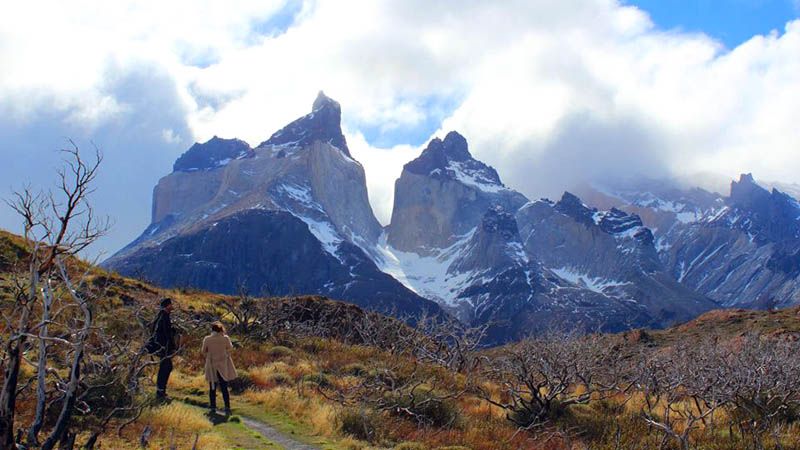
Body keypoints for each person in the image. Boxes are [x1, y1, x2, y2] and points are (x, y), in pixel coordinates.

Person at [202, 322, 237, 415]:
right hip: (223, 365)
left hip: (211, 365)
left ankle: (213, 407)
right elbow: (230, 348)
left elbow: (203, 351)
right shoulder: (225, 338)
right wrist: (225, 354)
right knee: (224, 387)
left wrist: (209, 356)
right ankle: (227, 407)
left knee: (212, 386)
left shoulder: (207, 339)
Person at [153, 297, 177, 401]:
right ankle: (161, 392)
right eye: (170, 304)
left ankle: (161, 391)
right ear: (167, 306)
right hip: (164, 348)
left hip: (162, 347)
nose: (172, 306)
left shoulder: (161, 316)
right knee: (166, 368)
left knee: (165, 367)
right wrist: (171, 346)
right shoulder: (164, 317)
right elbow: (166, 334)